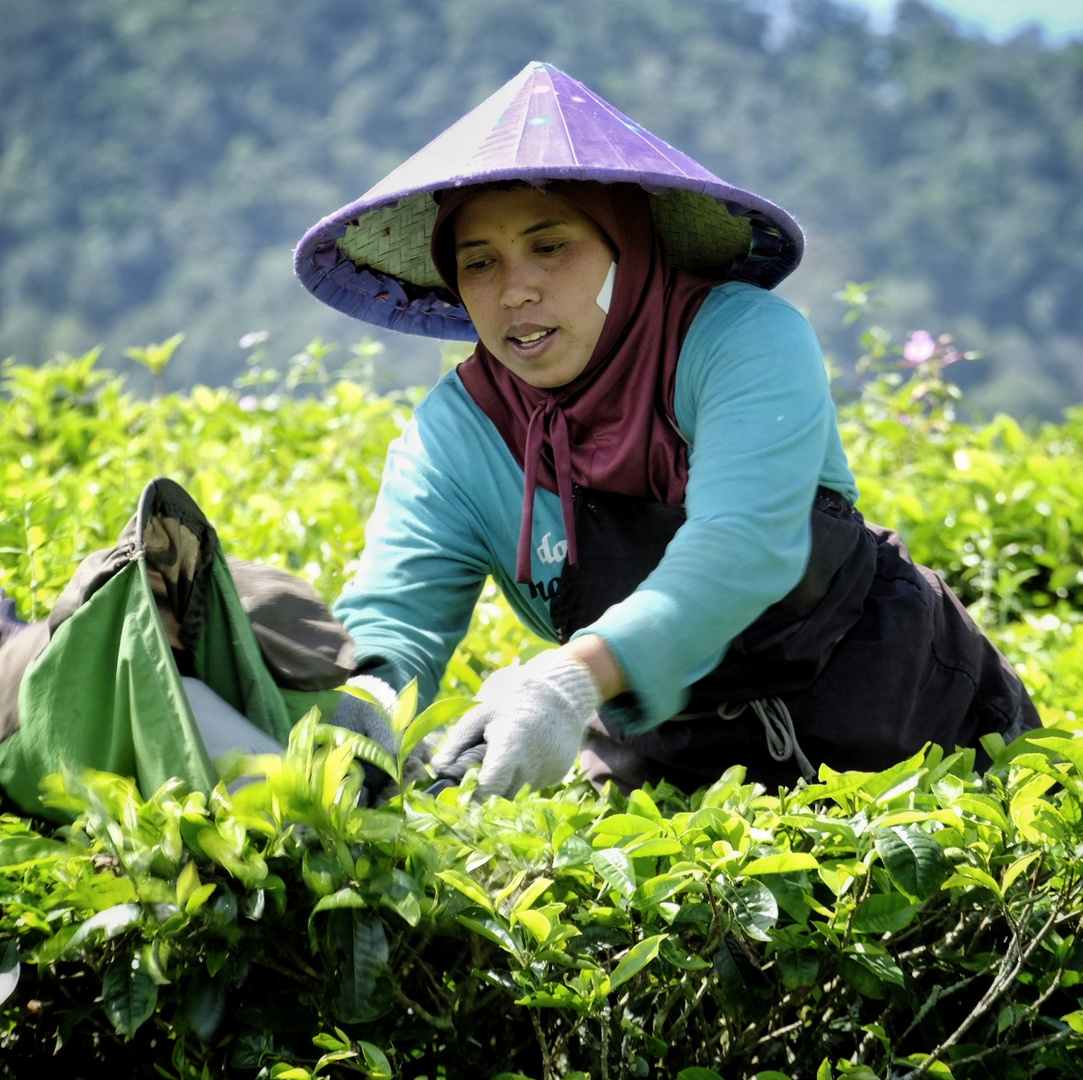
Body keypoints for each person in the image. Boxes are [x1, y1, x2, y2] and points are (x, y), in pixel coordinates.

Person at [294, 61, 1040, 800]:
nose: (514, 289)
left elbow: (739, 546)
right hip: (678, 771)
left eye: (549, 246)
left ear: (628, 246)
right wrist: (358, 723)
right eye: (478, 263)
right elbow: (395, 620)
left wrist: (567, 681)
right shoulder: (457, 435)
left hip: (918, 733)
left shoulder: (741, 339)